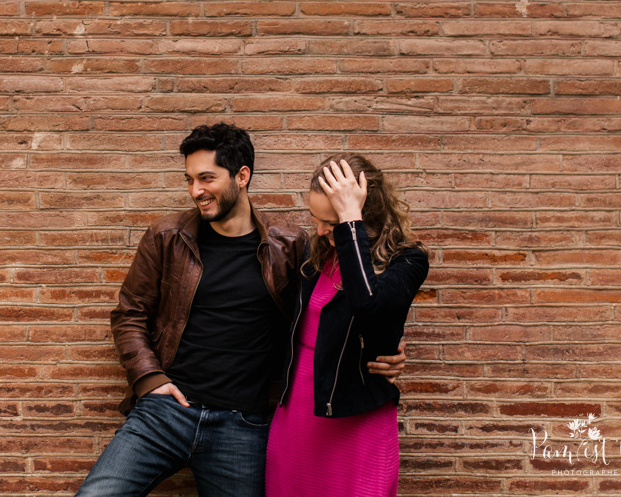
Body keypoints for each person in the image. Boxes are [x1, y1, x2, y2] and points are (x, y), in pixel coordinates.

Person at [76, 125, 407, 497]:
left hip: (244, 425)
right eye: (189, 179)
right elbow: (129, 314)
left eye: (206, 178)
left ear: (242, 176)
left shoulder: (291, 246)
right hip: (166, 412)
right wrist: (150, 380)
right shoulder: (167, 237)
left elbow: (331, 311)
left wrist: (382, 349)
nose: (195, 190)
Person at [265, 154, 430, 497]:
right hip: (299, 411)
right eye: (317, 219)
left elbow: (368, 305)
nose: (322, 230)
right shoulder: (316, 253)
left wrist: (349, 222)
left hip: (357, 415)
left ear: (362, 214)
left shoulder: (408, 260)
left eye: (332, 220)